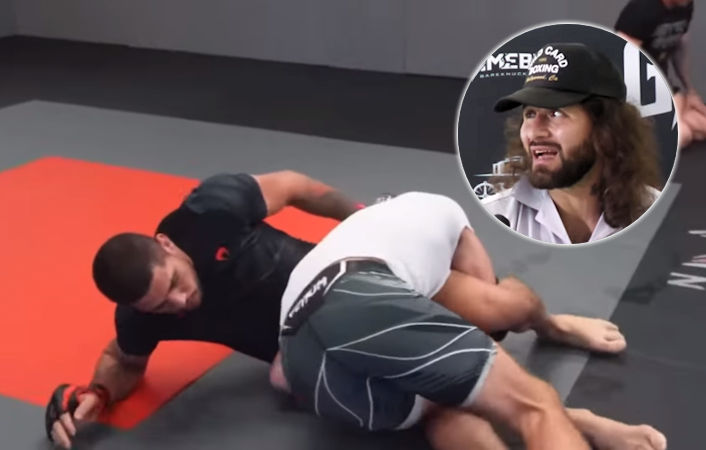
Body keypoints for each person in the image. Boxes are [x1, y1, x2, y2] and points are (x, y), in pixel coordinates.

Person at [45, 174, 660, 449]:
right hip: (314, 348)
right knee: (441, 414)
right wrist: (95, 395)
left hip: (366, 278)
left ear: (167, 245)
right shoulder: (145, 314)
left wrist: (363, 216)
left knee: (508, 305)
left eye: (176, 284)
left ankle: (553, 326)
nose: (180, 302)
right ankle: (571, 420)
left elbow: (294, 186)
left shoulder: (208, 211)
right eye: (162, 305)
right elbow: (123, 360)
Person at [276, 192, 667, 449]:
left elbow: (281, 374)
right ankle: (556, 352)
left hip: (310, 376)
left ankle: (557, 348)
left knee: (447, 402)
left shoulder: (395, 246)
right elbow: (490, 298)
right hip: (357, 296)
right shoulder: (443, 214)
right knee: (535, 403)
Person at [482, 42, 663, 244]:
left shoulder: (658, 214)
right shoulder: (492, 219)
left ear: (604, 127)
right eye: (530, 114)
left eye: (556, 113)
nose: (534, 132)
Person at [616, 0, 706, 149]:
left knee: (702, 126)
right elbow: (622, 62)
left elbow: (680, 46)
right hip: (636, 93)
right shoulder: (641, 9)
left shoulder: (685, 6)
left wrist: (689, 91)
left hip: (663, 86)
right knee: (683, 135)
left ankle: (674, 122)